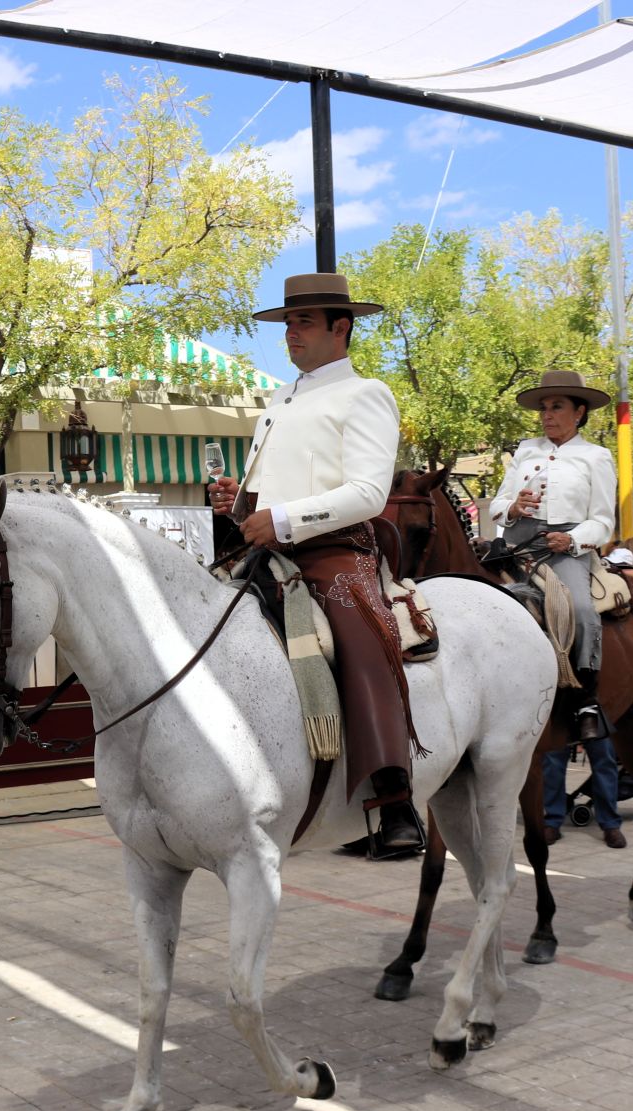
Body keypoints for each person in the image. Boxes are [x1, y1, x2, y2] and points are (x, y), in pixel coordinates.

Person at [208, 272, 423, 858]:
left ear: (341, 327)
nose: (290, 334)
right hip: (265, 546)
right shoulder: (281, 398)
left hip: (337, 549)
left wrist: (281, 520)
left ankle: (391, 796)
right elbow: (269, 489)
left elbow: (368, 494)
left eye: (302, 323)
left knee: (356, 629)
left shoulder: (367, 393)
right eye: (287, 324)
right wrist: (239, 503)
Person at [488, 369, 619, 745]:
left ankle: (585, 701)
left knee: (579, 608)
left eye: (556, 407)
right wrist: (513, 506)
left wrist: (573, 539)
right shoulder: (525, 451)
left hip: (563, 546)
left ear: (579, 412)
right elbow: (496, 506)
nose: (547, 414)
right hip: (514, 544)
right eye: (544, 407)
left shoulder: (596, 456)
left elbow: (603, 521)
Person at [540, 739, 626, 849]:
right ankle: (552, 822)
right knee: (552, 761)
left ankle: (610, 824)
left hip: (595, 722)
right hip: (559, 722)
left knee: (604, 758)